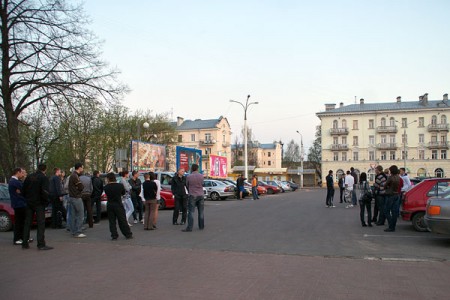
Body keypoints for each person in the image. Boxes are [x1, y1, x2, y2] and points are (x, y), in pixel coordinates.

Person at [22, 163, 52, 250]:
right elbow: (45, 192)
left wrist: (27, 198)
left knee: (27, 223)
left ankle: (25, 242)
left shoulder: (29, 177)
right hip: (39, 203)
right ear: (45, 169)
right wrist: (46, 202)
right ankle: (41, 244)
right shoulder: (43, 178)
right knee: (41, 223)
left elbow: (23, 190)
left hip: (29, 202)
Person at [103, 172, 133, 240]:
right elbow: (123, 193)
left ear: (108, 179)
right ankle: (127, 234)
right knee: (122, 220)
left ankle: (114, 235)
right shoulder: (120, 186)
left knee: (112, 221)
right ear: (114, 178)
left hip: (110, 204)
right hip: (118, 204)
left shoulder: (106, 187)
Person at [8, 167, 32, 245]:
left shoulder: (16, 181)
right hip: (19, 204)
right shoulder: (14, 182)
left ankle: (24, 237)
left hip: (20, 204)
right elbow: (25, 189)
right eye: (22, 173)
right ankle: (17, 238)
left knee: (22, 222)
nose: (23, 175)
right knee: (19, 222)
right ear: (18, 172)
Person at [183, 164, 205, 232]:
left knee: (191, 212)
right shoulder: (201, 176)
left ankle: (190, 227)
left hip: (192, 195)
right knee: (201, 212)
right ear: (197, 169)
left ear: (192, 168)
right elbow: (202, 184)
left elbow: (187, 185)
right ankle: (201, 226)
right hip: (201, 195)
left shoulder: (189, 176)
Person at [68, 163, 86, 238]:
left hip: (72, 197)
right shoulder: (75, 176)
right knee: (80, 214)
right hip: (76, 197)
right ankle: (78, 231)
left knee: (72, 215)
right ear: (79, 168)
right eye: (82, 167)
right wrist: (81, 187)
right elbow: (81, 186)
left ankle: (73, 231)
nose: (82, 169)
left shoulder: (72, 175)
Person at [384, 165, 403, 232]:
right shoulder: (399, 178)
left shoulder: (390, 178)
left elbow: (385, 186)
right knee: (394, 212)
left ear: (391, 171)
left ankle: (391, 225)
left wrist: (387, 187)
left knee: (386, 211)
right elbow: (402, 185)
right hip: (397, 195)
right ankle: (393, 226)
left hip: (391, 195)